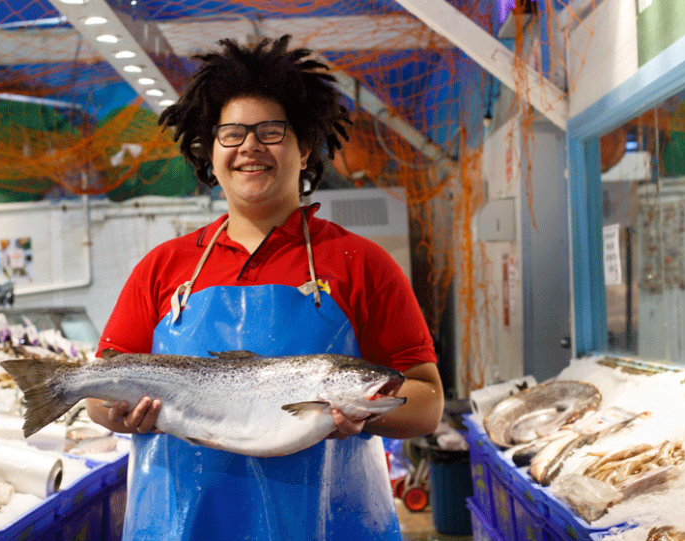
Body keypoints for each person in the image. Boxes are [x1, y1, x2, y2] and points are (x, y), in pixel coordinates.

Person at [87, 35, 444, 541]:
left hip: (326, 524)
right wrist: (121, 415)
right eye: (231, 134)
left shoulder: (362, 264)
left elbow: (427, 400)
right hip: (182, 524)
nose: (250, 146)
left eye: (271, 131)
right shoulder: (162, 267)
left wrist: (364, 414)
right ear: (210, 154)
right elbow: (100, 392)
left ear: (304, 152)